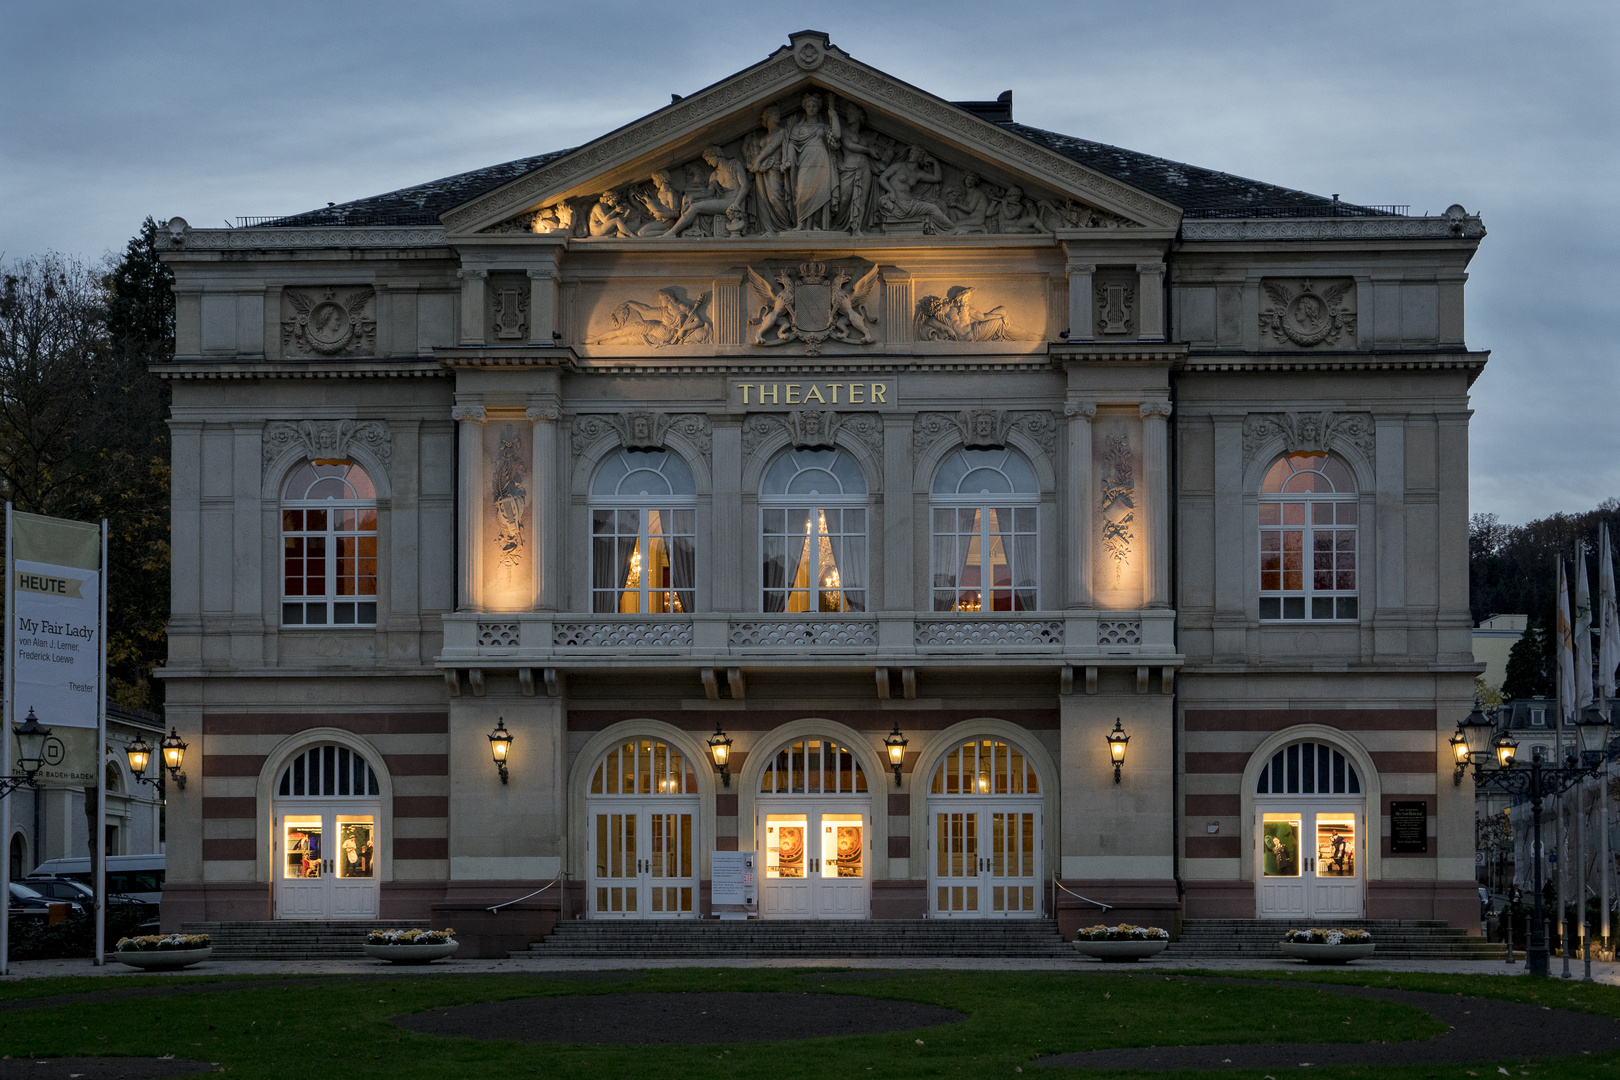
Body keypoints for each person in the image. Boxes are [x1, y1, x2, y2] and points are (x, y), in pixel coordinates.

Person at [784, 93, 840, 230]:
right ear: (804, 107)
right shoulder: (798, 128)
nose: (811, 108)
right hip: (804, 161)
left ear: (819, 107)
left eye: (814, 105)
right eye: (809, 105)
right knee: (802, 190)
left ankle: (816, 224)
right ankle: (801, 223)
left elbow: (837, 136)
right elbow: (791, 144)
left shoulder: (824, 127)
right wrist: (788, 160)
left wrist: (835, 116)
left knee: (819, 192)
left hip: (822, 161)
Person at [666, 147, 750, 238]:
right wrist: (692, 196)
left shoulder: (734, 165)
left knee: (695, 207)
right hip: (723, 202)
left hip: (734, 200)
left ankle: (672, 232)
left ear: (716, 155)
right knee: (694, 204)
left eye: (709, 159)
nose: (709, 163)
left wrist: (737, 203)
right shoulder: (714, 175)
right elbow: (709, 193)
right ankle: (685, 230)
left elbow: (745, 185)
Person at [876, 147, 957, 233]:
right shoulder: (899, 166)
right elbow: (882, 178)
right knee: (933, 208)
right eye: (910, 152)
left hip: (910, 201)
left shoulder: (918, 174)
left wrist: (934, 161)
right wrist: (891, 191)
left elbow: (937, 178)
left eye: (914, 153)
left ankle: (951, 229)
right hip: (898, 201)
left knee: (939, 204)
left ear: (919, 157)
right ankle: (954, 229)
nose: (910, 154)